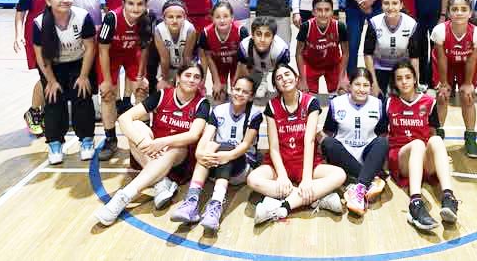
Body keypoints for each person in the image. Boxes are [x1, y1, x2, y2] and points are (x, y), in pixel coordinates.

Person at [94, 64, 210, 226]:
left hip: (178, 158)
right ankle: (160, 183)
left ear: (201, 82)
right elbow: (124, 118)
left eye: (196, 77)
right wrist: (144, 142)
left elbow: (193, 135)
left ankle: (124, 196)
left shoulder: (202, 103)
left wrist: (162, 142)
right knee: (136, 126)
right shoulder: (162, 95)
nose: (191, 80)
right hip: (152, 152)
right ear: (178, 78)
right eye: (187, 75)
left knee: (175, 147)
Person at [246, 64, 346, 225]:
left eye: (287, 74)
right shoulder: (272, 106)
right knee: (253, 180)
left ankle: (282, 206)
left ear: (296, 77)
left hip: (306, 162)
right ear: (276, 85)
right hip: (281, 162)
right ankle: (316, 199)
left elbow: (310, 141)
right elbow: (273, 147)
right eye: (279, 78)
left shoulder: (311, 102)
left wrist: (306, 179)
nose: (284, 79)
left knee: (340, 174)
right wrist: (282, 175)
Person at [170, 75, 262, 231]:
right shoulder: (218, 110)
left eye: (245, 92)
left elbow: (245, 145)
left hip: (241, 166)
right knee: (209, 146)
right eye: (237, 89)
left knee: (225, 146)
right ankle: (191, 202)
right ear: (231, 90)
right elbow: (206, 137)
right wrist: (199, 153)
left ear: (251, 96)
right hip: (216, 162)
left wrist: (226, 155)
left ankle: (216, 206)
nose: (239, 94)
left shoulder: (255, 114)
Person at [385, 61, 459, 230]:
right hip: (401, 157)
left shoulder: (429, 102)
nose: (404, 81)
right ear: (394, 82)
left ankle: (449, 197)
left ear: (415, 79)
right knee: (418, 144)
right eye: (399, 78)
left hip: (423, 157)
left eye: (408, 77)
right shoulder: (389, 103)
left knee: (437, 140)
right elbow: (382, 135)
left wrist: (440, 154)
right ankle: (415, 203)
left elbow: (433, 132)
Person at [33, 0, 97, 164]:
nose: (64, 0)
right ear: (48, 0)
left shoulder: (82, 17)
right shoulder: (39, 23)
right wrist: (51, 81)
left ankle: (86, 140)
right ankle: (54, 143)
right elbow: (41, 56)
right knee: (53, 100)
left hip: (79, 63)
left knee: (82, 96)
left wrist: (83, 76)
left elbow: (90, 48)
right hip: (52, 67)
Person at [320, 68, 388, 216]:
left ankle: (359, 186)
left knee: (382, 142)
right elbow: (328, 132)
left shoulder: (377, 104)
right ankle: (370, 180)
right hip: (343, 155)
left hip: (367, 155)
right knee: (328, 143)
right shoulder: (337, 103)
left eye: (366, 85)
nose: (361, 89)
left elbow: (383, 133)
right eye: (357, 84)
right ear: (349, 85)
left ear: (371, 87)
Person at [97, 0, 152, 161]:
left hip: (132, 55)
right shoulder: (111, 18)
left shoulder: (147, 18)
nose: (135, 8)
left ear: (145, 5)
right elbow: (102, 50)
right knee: (107, 95)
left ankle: (145, 136)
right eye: (130, 3)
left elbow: (144, 49)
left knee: (142, 91)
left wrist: (141, 76)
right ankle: (110, 139)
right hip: (110, 56)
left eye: (140, 4)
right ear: (123, 3)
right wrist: (106, 81)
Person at [14, 0, 63, 136]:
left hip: (59, 35)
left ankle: (44, 112)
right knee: (45, 76)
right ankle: (34, 112)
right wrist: (18, 36)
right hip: (36, 36)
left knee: (56, 74)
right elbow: (20, 12)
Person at [430, 0, 477, 156]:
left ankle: (470, 137)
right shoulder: (440, 31)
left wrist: (468, 84)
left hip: (466, 65)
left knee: (467, 98)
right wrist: (443, 84)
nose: (459, 12)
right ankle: (437, 136)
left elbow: (472, 60)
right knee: (442, 97)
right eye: (455, 9)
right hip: (445, 65)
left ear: (470, 13)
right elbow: (441, 58)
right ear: (449, 13)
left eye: (463, 9)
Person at [363, 0, 421, 97]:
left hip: (402, 69)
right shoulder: (374, 22)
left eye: (394, 3)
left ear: (401, 5)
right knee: (379, 100)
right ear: (381, 5)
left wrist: (415, 83)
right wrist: (374, 83)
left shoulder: (411, 24)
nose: (390, 7)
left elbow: (414, 57)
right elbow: (367, 55)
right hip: (379, 68)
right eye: (386, 3)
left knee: (402, 100)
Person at [295, 0, 349, 96]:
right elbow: (298, 53)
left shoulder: (340, 26)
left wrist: (342, 76)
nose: (323, 14)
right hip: (311, 65)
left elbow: (345, 53)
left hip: (333, 65)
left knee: (342, 91)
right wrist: (302, 78)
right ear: (313, 12)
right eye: (319, 10)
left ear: (332, 11)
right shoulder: (306, 27)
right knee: (304, 95)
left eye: (327, 10)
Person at [199, 1, 249, 101]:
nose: (222, 20)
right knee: (219, 98)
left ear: (232, 17)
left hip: (237, 65)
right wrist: (216, 81)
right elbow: (208, 58)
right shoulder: (206, 33)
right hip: (219, 65)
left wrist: (236, 81)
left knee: (239, 95)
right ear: (212, 18)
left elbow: (244, 60)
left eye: (226, 16)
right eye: (217, 17)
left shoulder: (241, 31)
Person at [234, 16, 290, 102]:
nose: (262, 39)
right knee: (251, 93)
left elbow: (283, 72)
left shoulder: (281, 49)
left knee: (283, 91)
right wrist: (239, 85)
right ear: (252, 35)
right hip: (255, 67)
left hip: (273, 66)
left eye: (267, 35)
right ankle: (261, 82)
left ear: (273, 37)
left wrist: (281, 89)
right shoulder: (244, 46)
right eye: (258, 34)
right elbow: (241, 68)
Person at [153, 0, 197, 88]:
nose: (174, 20)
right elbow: (164, 58)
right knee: (162, 88)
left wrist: (184, 78)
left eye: (179, 17)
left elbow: (187, 57)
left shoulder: (190, 29)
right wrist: (165, 79)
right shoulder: (158, 30)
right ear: (164, 18)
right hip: (167, 67)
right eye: (170, 17)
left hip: (185, 65)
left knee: (185, 88)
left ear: (185, 17)